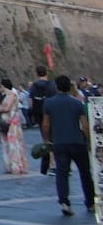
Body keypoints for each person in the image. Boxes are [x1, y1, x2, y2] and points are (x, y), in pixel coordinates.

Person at [41, 74, 95, 216]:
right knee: (85, 173)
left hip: (59, 143)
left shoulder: (49, 103)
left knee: (62, 173)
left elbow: (46, 124)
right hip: (77, 142)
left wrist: (47, 140)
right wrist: (89, 142)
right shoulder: (77, 103)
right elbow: (84, 125)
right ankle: (90, 202)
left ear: (57, 87)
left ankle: (64, 202)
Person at [0, 78, 27, 174]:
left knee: (13, 144)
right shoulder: (7, 95)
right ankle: (12, 165)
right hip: (9, 120)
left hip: (11, 121)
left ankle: (15, 165)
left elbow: (7, 108)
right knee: (9, 144)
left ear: (3, 86)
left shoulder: (11, 95)